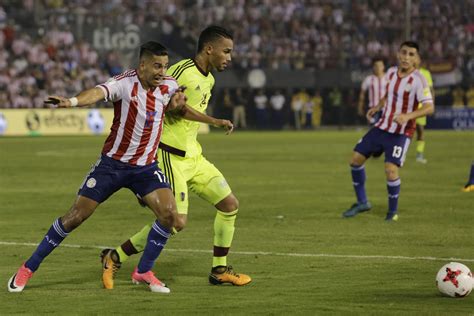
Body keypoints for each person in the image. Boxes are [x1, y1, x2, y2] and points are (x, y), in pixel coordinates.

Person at [7, 41, 233, 293]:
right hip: (113, 165)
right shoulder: (125, 83)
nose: (162, 72)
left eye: (165, 66)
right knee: (75, 217)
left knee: (171, 216)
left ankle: (144, 271)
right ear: (143, 65)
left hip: (146, 167)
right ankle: (28, 267)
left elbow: (178, 110)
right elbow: (96, 93)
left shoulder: (168, 85)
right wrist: (71, 102)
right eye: (157, 66)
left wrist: (184, 107)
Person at [100, 26, 251, 290]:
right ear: (209, 49)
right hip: (170, 156)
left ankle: (219, 269)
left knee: (229, 205)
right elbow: (174, 106)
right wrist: (214, 120)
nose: (229, 57)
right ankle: (116, 256)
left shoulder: (210, 80)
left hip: (195, 156)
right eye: (226, 51)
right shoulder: (180, 71)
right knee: (175, 222)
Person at [342, 41, 434, 221]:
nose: (406, 57)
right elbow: (389, 95)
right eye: (404, 53)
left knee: (390, 170)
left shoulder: (418, 80)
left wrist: (407, 116)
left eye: (411, 54)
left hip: (401, 132)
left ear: (416, 59)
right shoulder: (391, 72)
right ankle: (362, 202)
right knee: (355, 160)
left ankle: (392, 213)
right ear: (398, 54)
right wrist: (377, 106)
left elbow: (429, 107)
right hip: (382, 126)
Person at [413, 56, 434, 164]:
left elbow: (430, 90)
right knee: (403, 131)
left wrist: (431, 104)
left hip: (421, 108)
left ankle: (419, 155)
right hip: (409, 107)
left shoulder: (426, 73)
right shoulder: (407, 73)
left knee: (420, 130)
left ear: (419, 61)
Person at [358, 57, 386, 125]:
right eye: (376, 66)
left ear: (383, 67)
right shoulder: (369, 79)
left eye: (380, 65)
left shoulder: (389, 78)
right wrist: (360, 106)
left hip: (386, 109)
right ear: (373, 67)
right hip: (373, 109)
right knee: (374, 129)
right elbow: (362, 94)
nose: (378, 68)